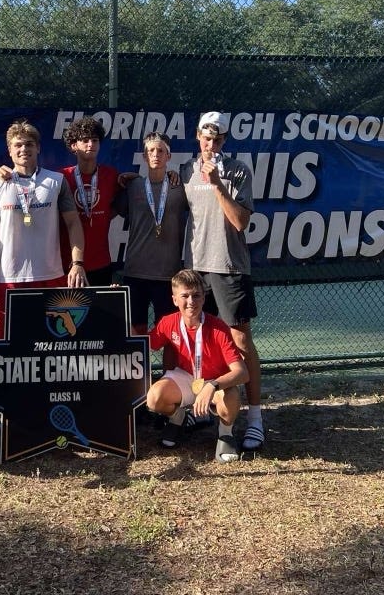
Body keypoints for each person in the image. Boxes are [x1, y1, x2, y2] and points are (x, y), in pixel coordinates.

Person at [181, 111, 265, 453]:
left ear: (224, 141)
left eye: (217, 139)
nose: (210, 144)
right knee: (196, 343)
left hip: (229, 268)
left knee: (241, 344)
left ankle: (256, 419)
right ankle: (194, 410)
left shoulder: (239, 171)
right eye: (205, 137)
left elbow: (240, 222)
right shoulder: (185, 171)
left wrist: (216, 184)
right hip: (194, 268)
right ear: (197, 137)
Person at [0, 119, 87, 339]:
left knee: (50, 342)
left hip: (50, 275)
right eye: (18, 145)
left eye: (28, 144)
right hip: (9, 277)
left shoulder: (56, 181)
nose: (23, 149)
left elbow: (73, 223)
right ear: (9, 151)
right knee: (7, 345)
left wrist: (77, 263)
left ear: (38, 147)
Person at [146, 269, 248, 462]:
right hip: (185, 377)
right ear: (175, 299)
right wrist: (120, 304)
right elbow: (143, 344)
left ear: (203, 298)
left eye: (196, 295)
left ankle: (225, 434)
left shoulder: (218, 327)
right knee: (154, 398)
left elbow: (242, 372)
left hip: (212, 380)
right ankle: (178, 419)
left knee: (231, 395)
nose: (191, 301)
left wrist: (213, 385)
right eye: (185, 296)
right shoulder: (168, 323)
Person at [112, 132, 189, 335]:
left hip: (168, 274)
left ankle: (169, 369)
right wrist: (122, 180)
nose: (156, 155)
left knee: (171, 334)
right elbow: (113, 208)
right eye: (151, 151)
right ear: (144, 156)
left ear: (169, 156)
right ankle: (140, 368)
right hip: (135, 272)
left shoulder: (180, 187)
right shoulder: (132, 185)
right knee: (135, 332)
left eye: (161, 151)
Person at [60, 116, 121, 285]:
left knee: (98, 311)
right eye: (85, 140)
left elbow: (126, 199)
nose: (90, 145)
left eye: (95, 140)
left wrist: (107, 213)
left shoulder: (111, 175)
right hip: (67, 263)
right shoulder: (61, 177)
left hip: (101, 261)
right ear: (74, 146)